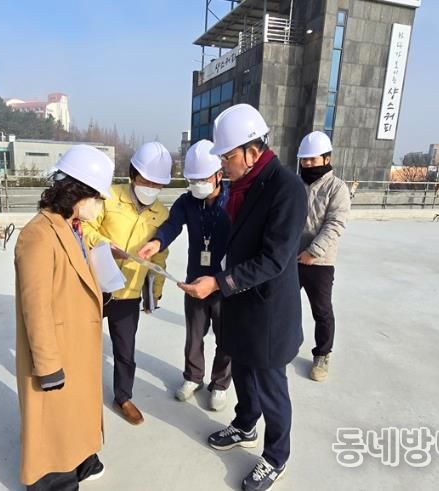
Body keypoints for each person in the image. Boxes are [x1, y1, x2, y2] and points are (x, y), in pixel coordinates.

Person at [180, 104, 307, 491]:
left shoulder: (286, 188)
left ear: (252, 152)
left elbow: (274, 259)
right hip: (241, 302)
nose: (223, 163)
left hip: (268, 309)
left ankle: (276, 456)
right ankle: (246, 424)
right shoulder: (244, 185)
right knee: (244, 370)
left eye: (227, 156)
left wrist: (218, 283)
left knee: (271, 385)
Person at [14, 144, 114, 490]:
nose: (99, 205)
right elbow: (36, 307)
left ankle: (82, 458)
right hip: (57, 348)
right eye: (97, 198)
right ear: (78, 192)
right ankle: (53, 479)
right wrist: (47, 366)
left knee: (76, 411)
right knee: (53, 421)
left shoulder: (72, 226)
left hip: (77, 341)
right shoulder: (38, 234)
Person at [138, 140, 232, 411]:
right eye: (192, 180)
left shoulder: (234, 201)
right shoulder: (187, 202)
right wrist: (157, 242)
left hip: (223, 282)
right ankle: (193, 377)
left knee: (226, 336)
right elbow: (172, 225)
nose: (197, 185)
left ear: (219, 174)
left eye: (203, 179)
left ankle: (220, 384)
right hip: (195, 279)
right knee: (194, 333)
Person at [83, 141, 172, 425]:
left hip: (129, 293)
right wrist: (104, 244)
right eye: (147, 180)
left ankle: (123, 397)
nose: (151, 187)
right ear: (133, 175)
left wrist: (155, 292)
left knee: (125, 350)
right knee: (82, 342)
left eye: (157, 184)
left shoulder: (161, 213)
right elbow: (85, 226)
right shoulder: (109, 197)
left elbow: (160, 256)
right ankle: (80, 392)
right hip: (96, 285)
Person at [296, 131, 351, 382]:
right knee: (283, 304)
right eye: (304, 159)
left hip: (319, 261)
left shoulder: (336, 188)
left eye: (313, 159)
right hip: (291, 257)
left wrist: (313, 252)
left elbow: (335, 224)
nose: (307, 164)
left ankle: (322, 353)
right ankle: (284, 343)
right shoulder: (295, 184)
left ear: (326, 158)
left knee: (322, 311)